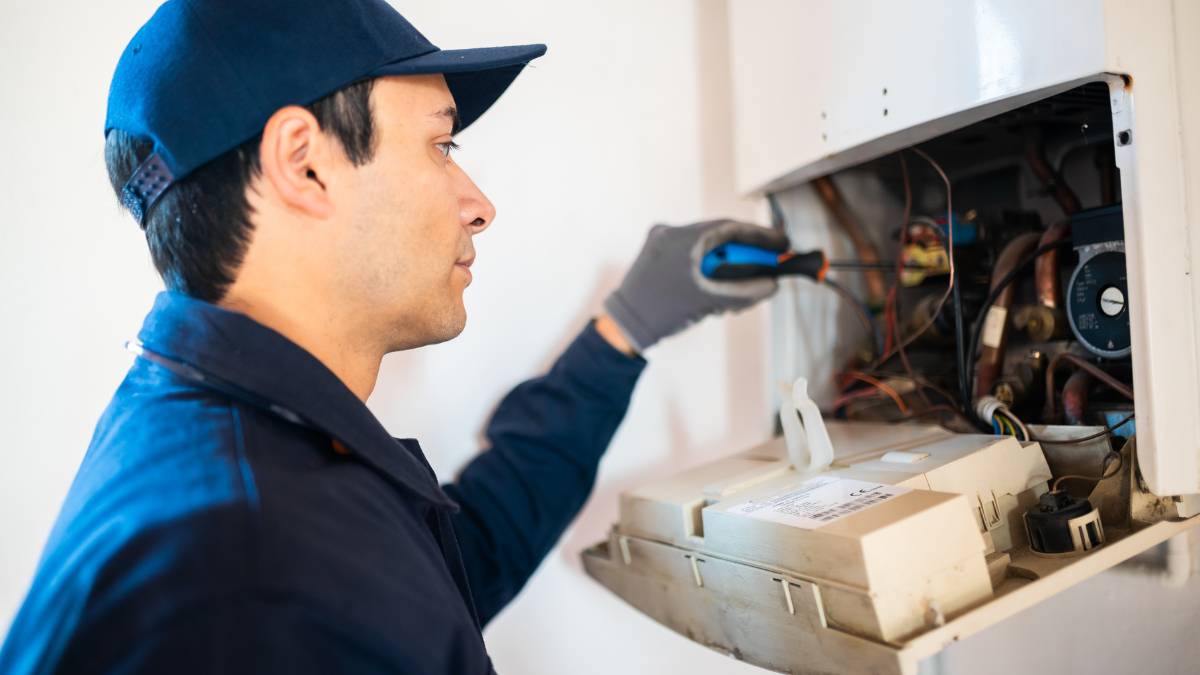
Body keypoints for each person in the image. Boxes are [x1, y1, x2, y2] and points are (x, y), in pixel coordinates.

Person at [0, 1, 788, 673]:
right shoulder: (241, 581)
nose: (479, 204)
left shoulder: (232, 438)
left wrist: (625, 330)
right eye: (441, 144)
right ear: (303, 165)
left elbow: (445, 572)